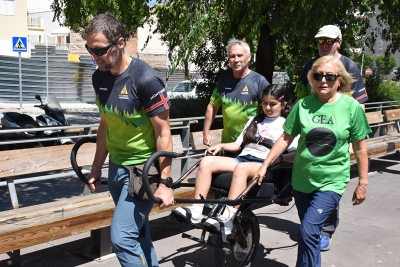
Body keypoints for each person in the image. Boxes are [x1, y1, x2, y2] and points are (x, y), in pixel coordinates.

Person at [254, 55, 371, 267]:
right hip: (302, 181)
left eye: (329, 76)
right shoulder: (303, 105)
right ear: (312, 79)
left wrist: (362, 183)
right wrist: (264, 165)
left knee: (308, 231)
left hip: (331, 181)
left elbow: (360, 148)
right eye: (318, 76)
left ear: (340, 80)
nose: (323, 80)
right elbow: (285, 139)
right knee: (311, 234)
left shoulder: (351, 108)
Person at [84, 12, 174, 267]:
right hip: (116, 169)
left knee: (122, 238)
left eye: (99, 50)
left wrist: (165, 183)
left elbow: (163, 133)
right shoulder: (98, 76)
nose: (94, 57)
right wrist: (96, 167)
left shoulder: (146, 80)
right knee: (138, 233)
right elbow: (105, 124)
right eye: (90, 49)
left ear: (120, 43)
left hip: (142, 171)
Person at [174, 84, 298, 234]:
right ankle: (196, 210)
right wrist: (221, 146)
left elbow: (294, 155)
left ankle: (227, 220)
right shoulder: (255, 120)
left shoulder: (288, 125)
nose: (268, 107)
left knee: (241, 168)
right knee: (207, 161)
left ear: (283, 104)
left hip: (266, 166)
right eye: (264, 103)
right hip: (243, 159)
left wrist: (279, 159)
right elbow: (237, 145)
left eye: (273, 104)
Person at [294, 24, 369, 251]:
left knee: (329, 181)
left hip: (338, 135)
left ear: (339, 42)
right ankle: (312, 227)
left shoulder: (349, 66)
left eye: (329, 41)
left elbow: (359, 105)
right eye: (320, 41)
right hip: (313, 133)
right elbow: (301, 100)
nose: (324, 45)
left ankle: (327, 229)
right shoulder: (311, 66)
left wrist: (351, 140)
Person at [203, 38, 269, 146]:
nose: (236, 59)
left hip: (251, 144)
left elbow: (268, 112)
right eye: (232, 56)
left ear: (249, 57)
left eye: (240, 55)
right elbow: (212, 106)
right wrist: (206, 133)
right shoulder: (223, 81)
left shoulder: (259, 81)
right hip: (227, 143)